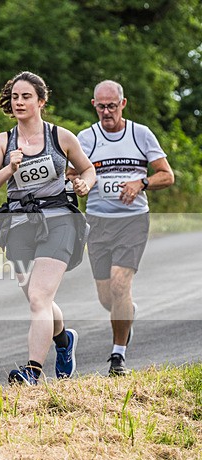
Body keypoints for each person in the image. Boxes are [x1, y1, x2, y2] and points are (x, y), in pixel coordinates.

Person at [0, 72, 96, 386]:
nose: (19, 102)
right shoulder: (3, 141)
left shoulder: (60, 136)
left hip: (60, 221)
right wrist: (10, 167)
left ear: (41, 101)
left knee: (39, 297)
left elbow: (86, 168)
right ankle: (63, 340)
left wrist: (85, 182)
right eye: (15, 97)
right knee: (36, 298)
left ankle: (32, 372)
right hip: (19, 224)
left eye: (26, 96)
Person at [70, 80, 173, 376]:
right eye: (101, 106)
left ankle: (118, 355)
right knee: (107, 297)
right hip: (99, 222)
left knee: (119, 284)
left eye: (111, 106)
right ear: (94, 105)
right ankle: (128, 313)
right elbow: (71, 171)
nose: (106, 112)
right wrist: (78, 182)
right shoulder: (86, 138)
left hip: (133, 221)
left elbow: (166, 175)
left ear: (123, 104)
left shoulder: (140, 134)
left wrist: (141, 182)